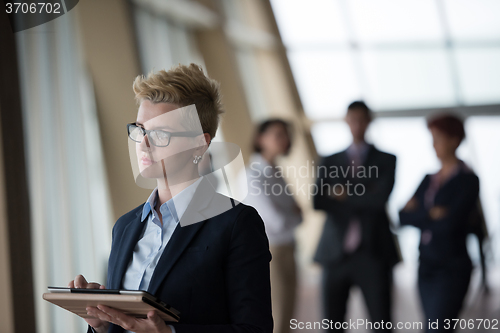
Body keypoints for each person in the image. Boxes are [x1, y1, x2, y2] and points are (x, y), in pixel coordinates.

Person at [68, 64, 273, 333]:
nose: (143, 143)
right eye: (140, 129)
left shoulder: (236, 224)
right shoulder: (125, 226)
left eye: (160, 134)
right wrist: (102, 324)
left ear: (200, 144)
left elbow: (254, 329)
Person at [313, 101, 399, 332]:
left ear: (369, 122)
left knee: (381, 323)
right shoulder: (330, 160)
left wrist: (344, 194)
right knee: (332, 325)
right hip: (335, 253)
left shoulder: (387, 159)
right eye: (353, 119)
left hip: (373, 251)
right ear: (346, 121)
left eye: (362, 119)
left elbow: (380, 199)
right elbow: (319, 201)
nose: (358, 125)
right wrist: (365, 193)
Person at [400, 114, 479, 333]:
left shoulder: (468, 180)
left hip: (451, 268)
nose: (433, 144)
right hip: (425, 264)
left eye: (438, 138)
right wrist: (431, 214)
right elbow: (401, 217)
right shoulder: (428, 179)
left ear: (454, 140)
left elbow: (450, 224)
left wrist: (420, 214)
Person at [242, 119, 302, 333]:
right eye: (278, 134)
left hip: (288, 246)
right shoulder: (253, 175)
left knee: (289, 311)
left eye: (285, 135)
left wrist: (293, 215)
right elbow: (276, 221)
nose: (284, 139)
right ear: (260, 139)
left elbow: (298, 214)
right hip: (271, 251)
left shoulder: (276, 171)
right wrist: (293, 215)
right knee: (277, 315)